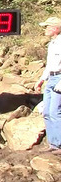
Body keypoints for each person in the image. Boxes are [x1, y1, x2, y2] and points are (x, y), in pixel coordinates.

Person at [34, 17, 61, 154]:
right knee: (46, 112)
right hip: (51, 78)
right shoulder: (52, 44)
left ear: (55, 28)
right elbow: (50, 65)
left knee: (55, 111)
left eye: (47, 27)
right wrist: (41, 80)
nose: (45, 29)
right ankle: (53, 143)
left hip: (59, 78)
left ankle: (59, 144)